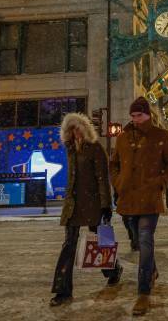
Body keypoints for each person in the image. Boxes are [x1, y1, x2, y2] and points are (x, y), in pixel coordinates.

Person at [110, 96, 168, 316]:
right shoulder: (122, 138)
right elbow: (114, 164)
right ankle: (152, 270)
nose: (135, 119)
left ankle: (143, 292)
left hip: (149, 198)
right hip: (128, 199)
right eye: (132, 116)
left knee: (145, 239)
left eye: (139, 115)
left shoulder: (160, 136)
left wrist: (162, 182)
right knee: (138, 242)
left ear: (148, 115)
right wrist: (118, 182)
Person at [50, 112, 123, 307]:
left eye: (78, 128)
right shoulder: (70, 149)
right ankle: (63, 291)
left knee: (100, 241)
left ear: (85, 128)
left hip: (93, 203)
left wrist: (106, 205)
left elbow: (102, 178)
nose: (75, 133)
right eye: (71, 130)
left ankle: (114, 270)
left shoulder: (95, 148)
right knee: (69, 245)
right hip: (73, 205)